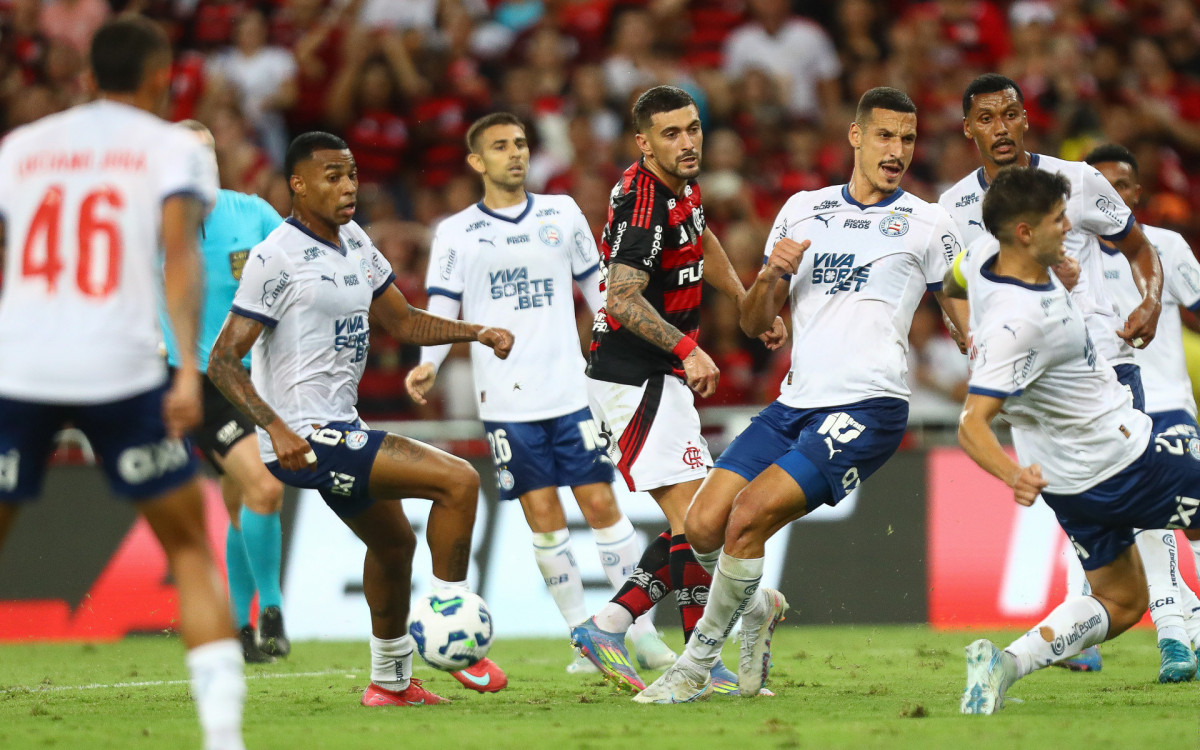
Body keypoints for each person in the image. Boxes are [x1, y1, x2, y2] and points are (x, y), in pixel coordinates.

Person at [636, 87, 970, 704]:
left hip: (868, 408)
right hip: (795, 404)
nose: (897, 151)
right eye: (885, 137)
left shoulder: (930, 223)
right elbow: (754, 319)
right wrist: (772, 274)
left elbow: (961, 314)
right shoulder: (802, 209)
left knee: (748, 517)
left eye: (907, 139)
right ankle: (757, 604)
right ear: (856, 136)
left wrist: (989, 347)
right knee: (704, 526)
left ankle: (693, 666)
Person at [0, 17, 245, 750]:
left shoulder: (20, 148)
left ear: (85, 77)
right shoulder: (170, 148)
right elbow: (179, 258)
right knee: (188, 552)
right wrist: (183, 373)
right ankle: (224, 738)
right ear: (158, 74)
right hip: (119, 368)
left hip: (22, 365)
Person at [208, 131, 514, 706]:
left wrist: (473, 331)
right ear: (297, 185)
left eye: (351, 175)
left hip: (340, 426)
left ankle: (390, 683)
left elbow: (402, 320)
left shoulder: (353, 240)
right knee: (460, 481)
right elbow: (222, 360)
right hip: (307, 435)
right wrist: (275, 428)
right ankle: (451, 625)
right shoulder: (276, 256)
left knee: (395, 545)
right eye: (332, 176)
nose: (348, 186)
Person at [404, 112, 676, 674]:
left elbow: (599, 292)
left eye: (522, 144)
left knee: (602, 505)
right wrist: (427, 365)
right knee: (545, 519)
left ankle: (641, 630)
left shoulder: (561, 213)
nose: (516, 154)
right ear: (477, 161)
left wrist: (623, 347)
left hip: (571, 391)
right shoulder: (457, 232)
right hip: (506, 401)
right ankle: (585, 640)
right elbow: (442, 306)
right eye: (501, 146)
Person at [939, 72, 1165, 671]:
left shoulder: (1080, 180)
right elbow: (951, 283)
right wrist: (965, 331)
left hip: (1102, 365)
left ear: (1025, 119)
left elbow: (1140, 248)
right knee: (1086, 507)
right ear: (968, 129)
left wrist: (1148, 299)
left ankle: (1171, 626)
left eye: (1010, 114)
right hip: (1025, 389)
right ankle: (1096, 623)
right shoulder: (955, 206)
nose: (1000, 128)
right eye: (986, 119)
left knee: (1146, 500)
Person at [953, 166, 1200, 714]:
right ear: (1024, 232)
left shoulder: (979, 260)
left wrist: (965, 326)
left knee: (1122, 599)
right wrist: (1012, 474)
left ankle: (1001, 667)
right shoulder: (1020, 325)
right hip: (1123, 460)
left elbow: (953, 283)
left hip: (1070, 482)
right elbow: (970, 424)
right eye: (1058, 220)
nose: (1070, 228)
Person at [569, 84, 787, 695]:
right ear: (643, 142)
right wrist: (688, 347)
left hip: (660, 375)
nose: (687, 142)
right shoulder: (642, 201)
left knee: (699, 521)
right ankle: (700, 656)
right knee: (701, 523)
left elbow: (702, 240)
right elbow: (620, 297)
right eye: (671, 133)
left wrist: (744, 299)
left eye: (692, 128)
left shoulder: (681, 186)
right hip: (632, 378)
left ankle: (610, 625)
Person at [162, 120, 289, 665]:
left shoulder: (253, 213)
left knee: (243, 499)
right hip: (196, 378)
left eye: (208, 151)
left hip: (256, 375)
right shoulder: (154, 226)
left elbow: (297, 273)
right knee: (264, 488)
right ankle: (275, 611)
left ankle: (240, 626)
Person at [1089, 143, 1200, 681]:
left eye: (1121, 186)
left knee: (1190, 522)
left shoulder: (1167, 246)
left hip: (1171, 405)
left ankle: (1182, 631)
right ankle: (1176, 633)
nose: (1111, 196)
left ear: (1136, 194)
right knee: (1132, 522)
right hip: (1111, 411)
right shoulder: (1069, 256)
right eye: (1100, 187)